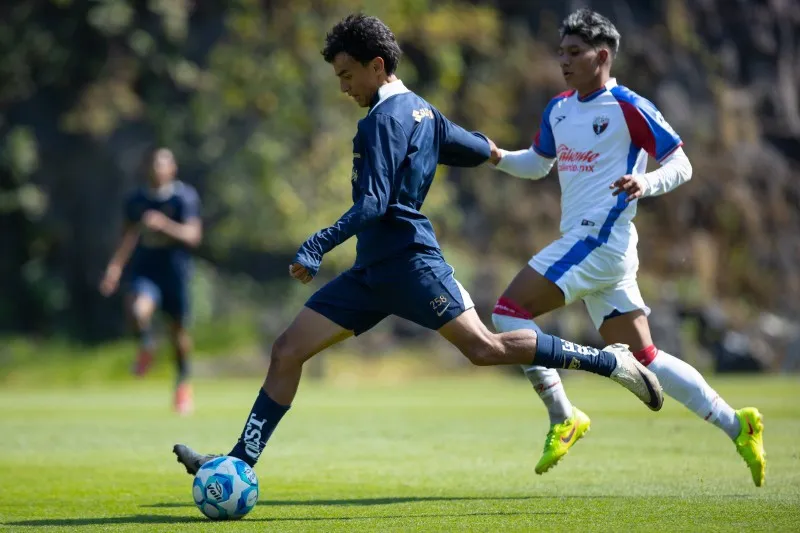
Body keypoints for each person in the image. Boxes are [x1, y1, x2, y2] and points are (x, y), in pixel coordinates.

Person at [173, 13, 662, 475]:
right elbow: (475, 148)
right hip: (372, 273)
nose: (343, 87)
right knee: (287, 350)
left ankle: (609, 361)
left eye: (346, 75)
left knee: (485, 348)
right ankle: (237, 464)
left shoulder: (382, 121)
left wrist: (317, 244)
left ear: (376, 66)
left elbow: (374, 205)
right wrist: (496, 151)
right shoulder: (424, 112)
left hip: (411, 265)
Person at [489, 8, 765, 486]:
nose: (564, 61)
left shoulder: (628, 106)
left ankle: (563, 415)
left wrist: (645, 181)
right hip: (602, 249)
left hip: (597, 240)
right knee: (646, 358)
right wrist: (495, 156)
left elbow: (681, 164)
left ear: (602, 56)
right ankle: (737, 424)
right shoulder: (559, 108)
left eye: (575, 52)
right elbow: (536, 163)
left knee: (508, 313)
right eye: (561, 52)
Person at [100, 147, 202, 415]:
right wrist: (114, 268)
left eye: (163, 163)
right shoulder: (136, 199)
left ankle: (182, 386)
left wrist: (164, 225)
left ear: (172, 168)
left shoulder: (184, 197)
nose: (158, 168)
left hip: (175, 273)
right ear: (146, 167)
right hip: (146, 270)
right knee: (137, 310)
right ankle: (147, 345)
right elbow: (127, 236)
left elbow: (193, 236)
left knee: (178, 333)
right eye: (154, 163)